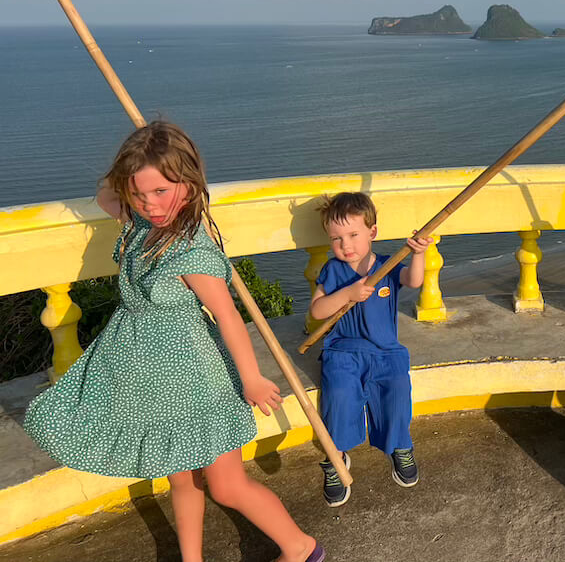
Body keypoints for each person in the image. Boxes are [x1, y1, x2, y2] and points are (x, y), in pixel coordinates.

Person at [24, 121, 323, 562]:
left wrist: (252, 379)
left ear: (190, 182)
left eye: (162, 191)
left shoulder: (192, 251)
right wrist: (139, 156)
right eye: (140, 194)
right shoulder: (140, 224)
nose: (150, 204)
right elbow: (109, 193)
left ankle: (301, 548)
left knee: (227, 485)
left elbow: (228, 319)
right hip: (149, 383)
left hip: (197, 382)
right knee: (180, 479)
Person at [307, 192, 430, 507]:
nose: (345, 245)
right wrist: (348, 292)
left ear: (372, 232)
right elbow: (319, 311)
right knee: (339, 396)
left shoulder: (388, 265)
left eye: (353, 235)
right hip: (343, 351)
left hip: (386, 351)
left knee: (397, 392)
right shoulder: (333, 271)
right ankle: (336, 458)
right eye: (336, 238)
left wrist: (418, 253)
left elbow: (414, 281)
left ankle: (400, 445)